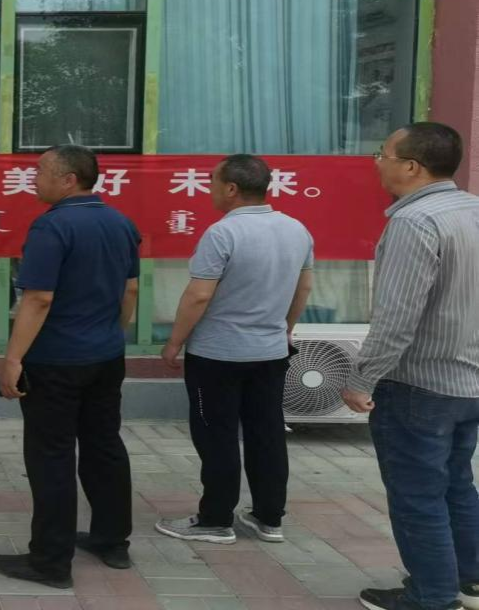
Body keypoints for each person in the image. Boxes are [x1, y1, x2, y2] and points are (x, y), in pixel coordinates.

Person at [340, 122, 479, 610]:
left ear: (412, 166)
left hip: (419, 385)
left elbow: (397, 318)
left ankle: (432, 597)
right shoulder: (473, 210)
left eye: (383, 154)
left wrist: (361, 379)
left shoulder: (414, 222)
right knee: (456, 483)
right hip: (468, 383)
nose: (378, 163)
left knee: (418, 494)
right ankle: (470, 580)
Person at [0, 144, 140, 588]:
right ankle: (112, 541)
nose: (33, 178)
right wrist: (110, 334)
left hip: (56, 361)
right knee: (104, 445)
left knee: (51, 456)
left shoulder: (52, 226)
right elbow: (130, 290)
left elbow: (39, 298)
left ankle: (50, 562)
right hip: (106, 357)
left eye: (40, 171)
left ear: (69, 179)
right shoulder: (120, 222)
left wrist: (12, 360)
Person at [153, 154, 314, 545]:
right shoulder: (296, 229)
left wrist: (174, 341)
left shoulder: (222, 233)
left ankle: (215, 519)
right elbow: (304, 287)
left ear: (231, 188)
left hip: (218, 355)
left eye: (212, 182)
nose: (209, 189)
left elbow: (199, 295)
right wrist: (284, 329)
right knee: (267, 433)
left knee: (217, 435)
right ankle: (268, 517)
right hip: (270, 352)